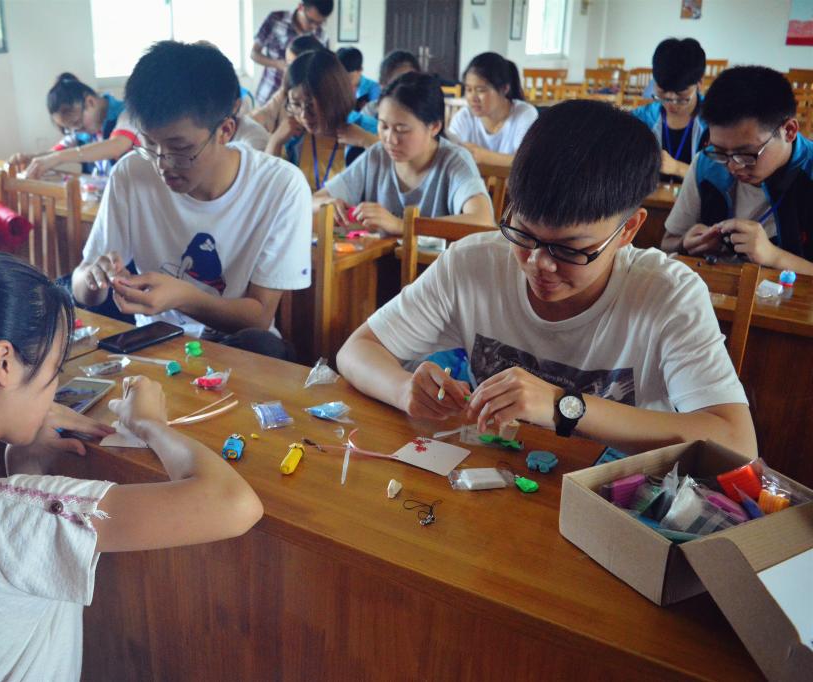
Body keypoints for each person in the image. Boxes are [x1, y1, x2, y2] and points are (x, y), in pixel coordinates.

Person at [0, 251, 263, 681]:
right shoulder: (4, 520)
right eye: (53, 373)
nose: (54, 389)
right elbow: (234, 504)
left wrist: (21, 467)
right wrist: (150, 424)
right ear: (4, 363)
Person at [337, 100, 756, 456]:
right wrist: (404, 389)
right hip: (494, 477)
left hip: (605, 499)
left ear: (628, 229)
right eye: (524, 234)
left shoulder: (667, 294)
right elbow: (357, 350)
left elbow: (737, 441)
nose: (539, 263)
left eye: (570, 249)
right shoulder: (474, 263)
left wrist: (562, 405)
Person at [73, 42, 312, 359]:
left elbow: (259, 317)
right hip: (154, 344)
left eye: (180, 148)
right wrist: (93, 280)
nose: (162, 163)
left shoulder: (281, 186)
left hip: (238, 349)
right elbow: (80, 283)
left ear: (225, 130)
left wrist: (183, 297)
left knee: (262, 345)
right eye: (149, 144)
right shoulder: (131, 173)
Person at [661, 66, 813, 275]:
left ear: (789, 131)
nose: (732, 166)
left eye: (746, 154)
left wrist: (774, 256)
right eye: (720, 151)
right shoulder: (707, 164)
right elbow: (667, 244)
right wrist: (685, 243)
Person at [312, 72, 493, 234]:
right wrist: (327, 204)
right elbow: (314, 200)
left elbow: (483, 221)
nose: (390, 139)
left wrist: (402, 226)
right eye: (383, 126)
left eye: (401, 129)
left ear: (434, 127)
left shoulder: (454, 161)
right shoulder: (378, 155)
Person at [266, 50, 377, 187]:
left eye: (311, 106)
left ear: (334, 98)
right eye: (296, 104)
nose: (304, 115)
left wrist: (368, 141)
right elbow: (269, 185)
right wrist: (275, 142)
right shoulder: (293, 136)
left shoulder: (367, 130)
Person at [7, 73, 139, 179]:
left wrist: (58, 158)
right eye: (68, 129)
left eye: (77, 123)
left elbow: (116, 146)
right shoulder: (80, 131)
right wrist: (31, 158)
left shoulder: (127, 114)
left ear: (90, 102)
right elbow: (56, 152)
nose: (75, 131)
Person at [631, 38, 709, 181]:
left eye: (681, 96)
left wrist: (677, 168)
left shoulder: (714, 122)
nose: (671, 103)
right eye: (662, 94)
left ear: (699, 84)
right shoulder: (642, 118)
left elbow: (721, 179)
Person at [448, 52, 538, 166]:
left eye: (481, 90)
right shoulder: (464, 117)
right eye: (468, 89)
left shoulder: (524, 114)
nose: (473, 98)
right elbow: (448, 155)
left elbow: (526, 163)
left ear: (504, 88)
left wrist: (481, 155)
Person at [251, 1, 333, 105]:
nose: (314, 27)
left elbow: (324, 73)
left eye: (320, 23)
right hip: (269, 93)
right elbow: (254, 54)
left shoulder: (322, 37)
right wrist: (277, 64)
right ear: (300, 7)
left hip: (299, 104)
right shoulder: (276, 19)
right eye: (310, 21)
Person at [250, 34, 325, 136]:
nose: (286, 70)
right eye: (287, 64)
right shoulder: (286, 91)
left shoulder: (322, 99)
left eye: (292, 65)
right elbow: (264, 114)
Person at [360, 50, 420, 122]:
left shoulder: (424, 111)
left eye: (409, 81)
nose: (404, 89)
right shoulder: (371, 111)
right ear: (382, 85)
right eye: (397, 83)